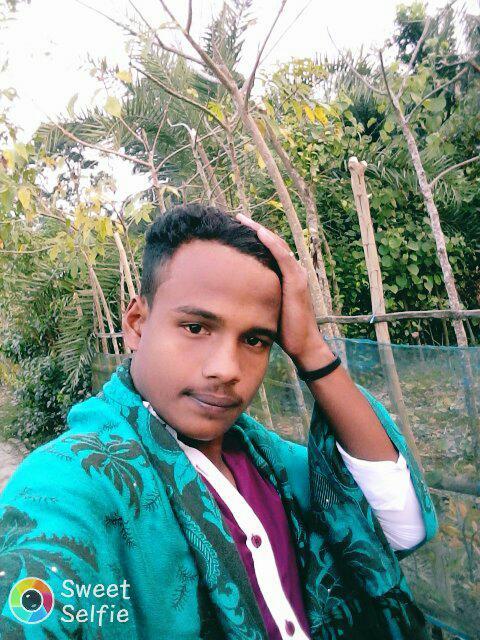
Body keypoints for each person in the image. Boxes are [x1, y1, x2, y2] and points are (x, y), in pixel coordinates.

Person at [0, 204, 438, 640]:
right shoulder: (71, 483)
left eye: (255, 340)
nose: (227, 369)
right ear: (137, 324)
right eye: (196, 327)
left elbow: (401, 529)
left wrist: (310, 349)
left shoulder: (275, 466)